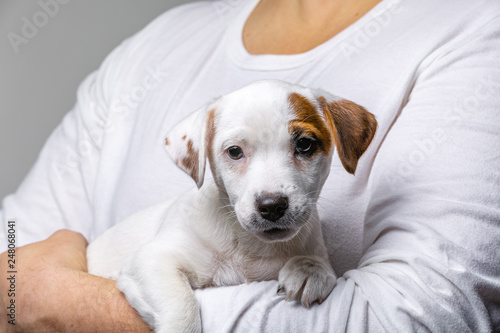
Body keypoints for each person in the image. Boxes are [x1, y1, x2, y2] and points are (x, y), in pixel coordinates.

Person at [1, 0, 500, 331]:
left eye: (304, 147)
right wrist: (14, 290)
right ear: (199, 158)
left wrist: (63, 305)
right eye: (235, 154)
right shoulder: (155, 46)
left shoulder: (475, 28)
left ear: (342, 145)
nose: (272, 192)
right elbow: (10, 250)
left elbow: (424, 317)